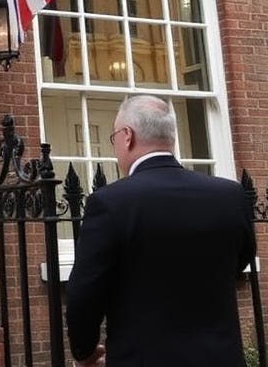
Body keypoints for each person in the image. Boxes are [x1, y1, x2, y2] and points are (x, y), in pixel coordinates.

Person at [65, 95, 256, 367]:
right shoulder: (231, 196)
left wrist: (83, 352)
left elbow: (84, 294)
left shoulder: (110, 202)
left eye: (113, 138)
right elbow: (241, 260)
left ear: (127, 136)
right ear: (170, 138)